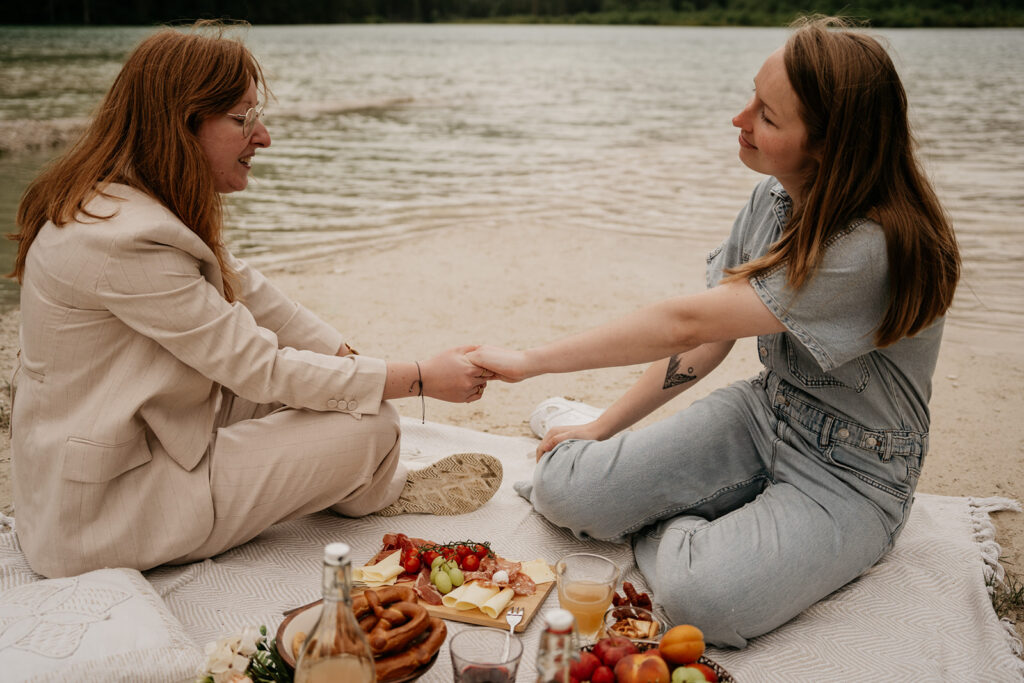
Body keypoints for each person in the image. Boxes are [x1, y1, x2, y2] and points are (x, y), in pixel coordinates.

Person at [468, 15, 961, 648]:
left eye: (768, 116)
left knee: (706, 603)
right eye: (752, 96)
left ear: (830, 145)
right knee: (563, 492)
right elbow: (702, 345)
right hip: (763, 415)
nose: (740, 117)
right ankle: (648, 477)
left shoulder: (871, 249)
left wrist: (529, 360)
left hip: (854, 474)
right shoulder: (772, 201)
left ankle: (685, 521)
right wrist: (601, 426)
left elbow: (685, 319)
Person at [8, 21, 499, 580]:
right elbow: (260, 368)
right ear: (180, 124)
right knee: (372, 424)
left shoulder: (121, 200)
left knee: (347, 395)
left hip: (125, 443)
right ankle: (372, 487)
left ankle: (359, 481)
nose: (262, 137)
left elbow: (253, 292)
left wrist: (348, 357)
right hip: (106, 514)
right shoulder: (125, 240)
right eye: (242, 119)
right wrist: (417, 378)